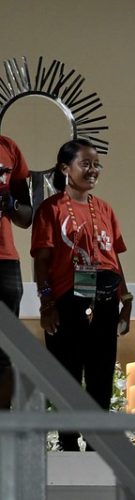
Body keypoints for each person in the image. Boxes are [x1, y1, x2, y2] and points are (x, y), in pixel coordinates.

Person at [31, 139, 132, 451]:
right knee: (68, 373)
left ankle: (98, 439)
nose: (93, 170)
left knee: (101, 373)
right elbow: (42, 261)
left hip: (105, 298)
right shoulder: (51, 209)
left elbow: (114, 259)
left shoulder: (105, 209)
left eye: (96, 164)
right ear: (65, 168)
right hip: (67, 300)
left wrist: (126, 301)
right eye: (85, 164)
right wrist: (46, 303)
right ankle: (68, 441)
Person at [0, 135, 32, 408]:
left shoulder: (8, 147)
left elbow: (26, 216)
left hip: (5, 260)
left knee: (5, 350)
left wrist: (9, 203)